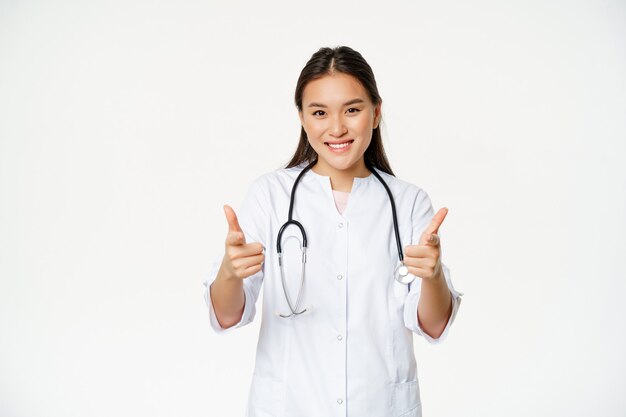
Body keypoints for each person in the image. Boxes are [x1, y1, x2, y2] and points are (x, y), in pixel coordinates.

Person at [203, 45, 462, 417]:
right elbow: (226, 316)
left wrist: (433, 276)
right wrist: (230, 272)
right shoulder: (270, 196)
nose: (337, 128)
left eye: (352, 110)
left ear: (376, 113)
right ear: (302, 118)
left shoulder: (408, 203)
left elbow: (434, 325)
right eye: (320, 112)